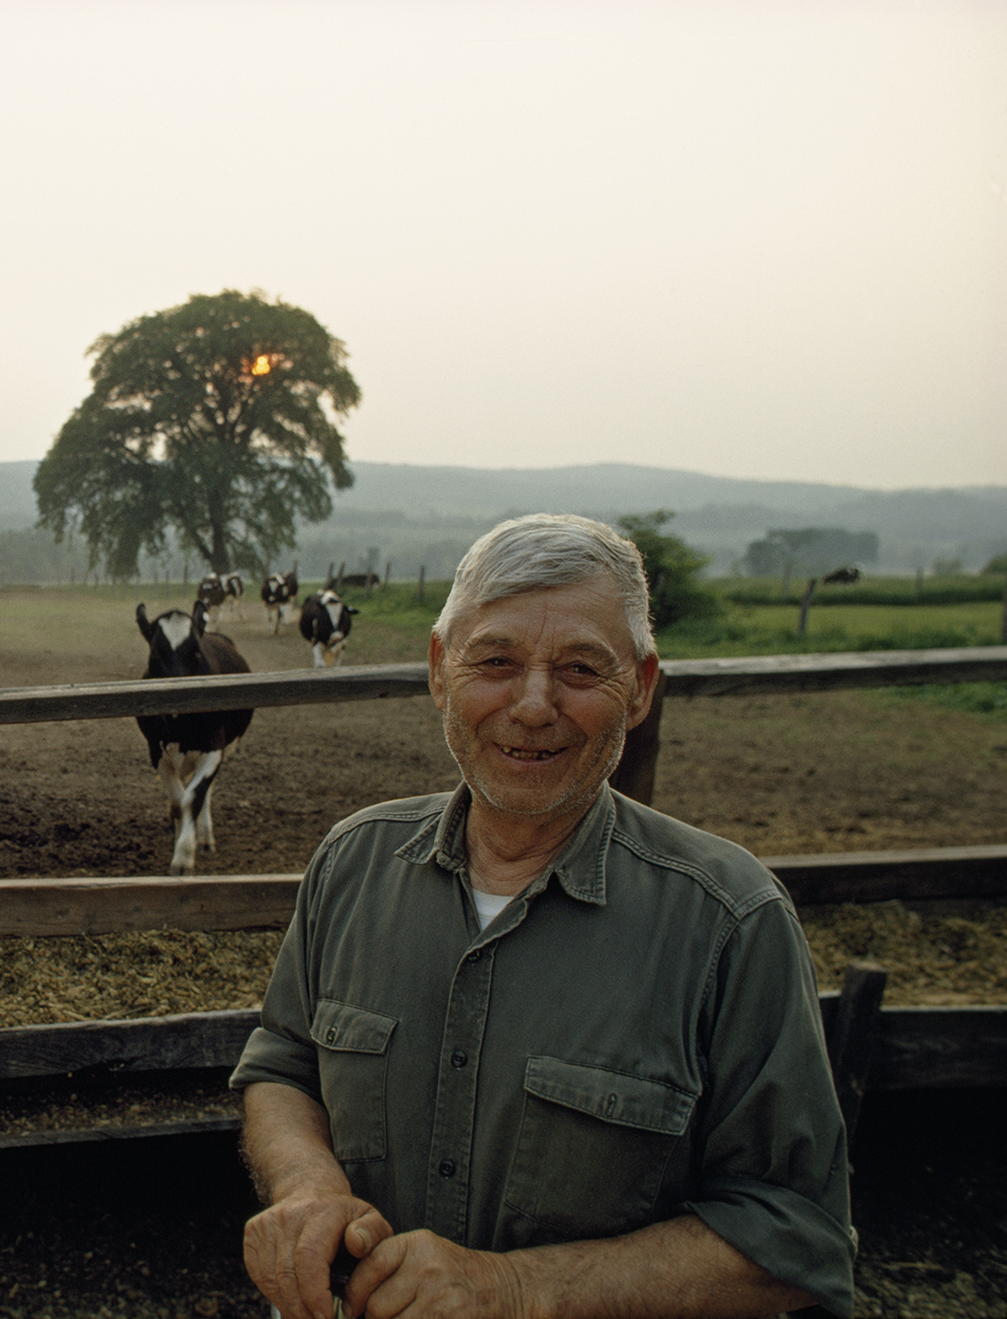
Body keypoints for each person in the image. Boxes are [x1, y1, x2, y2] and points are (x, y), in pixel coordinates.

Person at [232, 513, 854, 1319]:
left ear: (642, 688)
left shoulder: (731, 924)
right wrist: (306, 1182)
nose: (533, 705)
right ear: (437, 670)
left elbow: (794, 1232)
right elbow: (284, 1063)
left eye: (581, 669)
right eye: (494, 660)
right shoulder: (351, 863)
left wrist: (515, 1289)